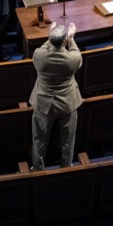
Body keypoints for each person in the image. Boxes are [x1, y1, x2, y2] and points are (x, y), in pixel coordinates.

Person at [29, 22, 82, 170]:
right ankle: (66, 166)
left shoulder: (39, 55)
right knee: (68, 140)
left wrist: (51, 35)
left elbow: (45, 47)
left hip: (43, 102)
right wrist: (71, 38)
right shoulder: (73, 59)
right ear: (64, 41)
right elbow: (75, 51)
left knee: (39, 139)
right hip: (67, 102)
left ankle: (38, 168)